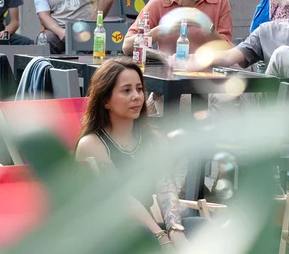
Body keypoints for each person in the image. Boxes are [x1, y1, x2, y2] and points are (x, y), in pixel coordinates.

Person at [75, 58, 203, 247]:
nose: (136, 96)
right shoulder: (92, 144)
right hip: (108, 235)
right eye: (126, 90)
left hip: (146, 229)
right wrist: (162, 238)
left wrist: (176, 232)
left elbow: (166, 188)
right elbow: (121, 199)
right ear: (105, 101)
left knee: (202, 226)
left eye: (139, 89)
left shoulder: (152, 140)